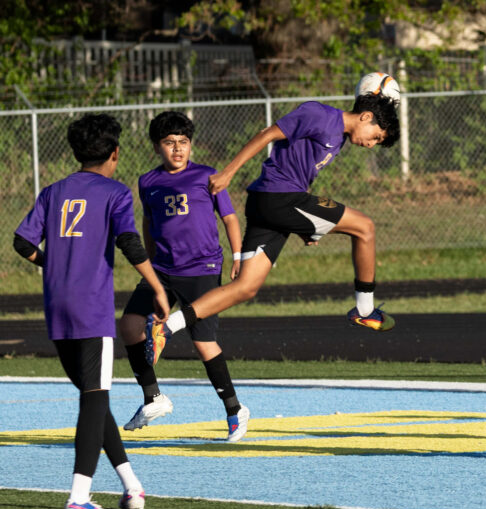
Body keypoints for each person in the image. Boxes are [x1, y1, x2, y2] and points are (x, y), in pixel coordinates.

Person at [143, 94, 400, 364]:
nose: (372, 144)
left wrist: (306, 225)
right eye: (376, 137)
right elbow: (267, 134)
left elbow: (299, 171)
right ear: (366, 117)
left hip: (274, 204)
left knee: (246, 287)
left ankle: (167, 327)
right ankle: (365, 308)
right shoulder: (320, 115)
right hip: (278, 199)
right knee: (365, 227)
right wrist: (229, 172)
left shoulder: (338, 137)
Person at [13, 114, 170, 509]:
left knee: (94, 400)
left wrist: (53, 264)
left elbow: (21, 241)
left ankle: (131, 486)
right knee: (94, 399)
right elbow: (130, 243)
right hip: (91, 308)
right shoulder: (115, 192)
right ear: (115, 153)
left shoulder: (52, 191)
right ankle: (78, 498)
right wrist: (156, 287)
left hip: (57, 307)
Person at [119, 111, 249, 442]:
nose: (178, 149)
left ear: (191, 145)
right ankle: (153, 398)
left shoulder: (208, 176)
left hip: (202, 268)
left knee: (204, 343)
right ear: (156, 147)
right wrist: (148, 261)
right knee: (131, 325)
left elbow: (230, 218)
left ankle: (235, 411)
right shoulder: (148, 181)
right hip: (162, 269)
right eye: (169, 143)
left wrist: (237, 256)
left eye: (183, 142)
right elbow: (149, 222)